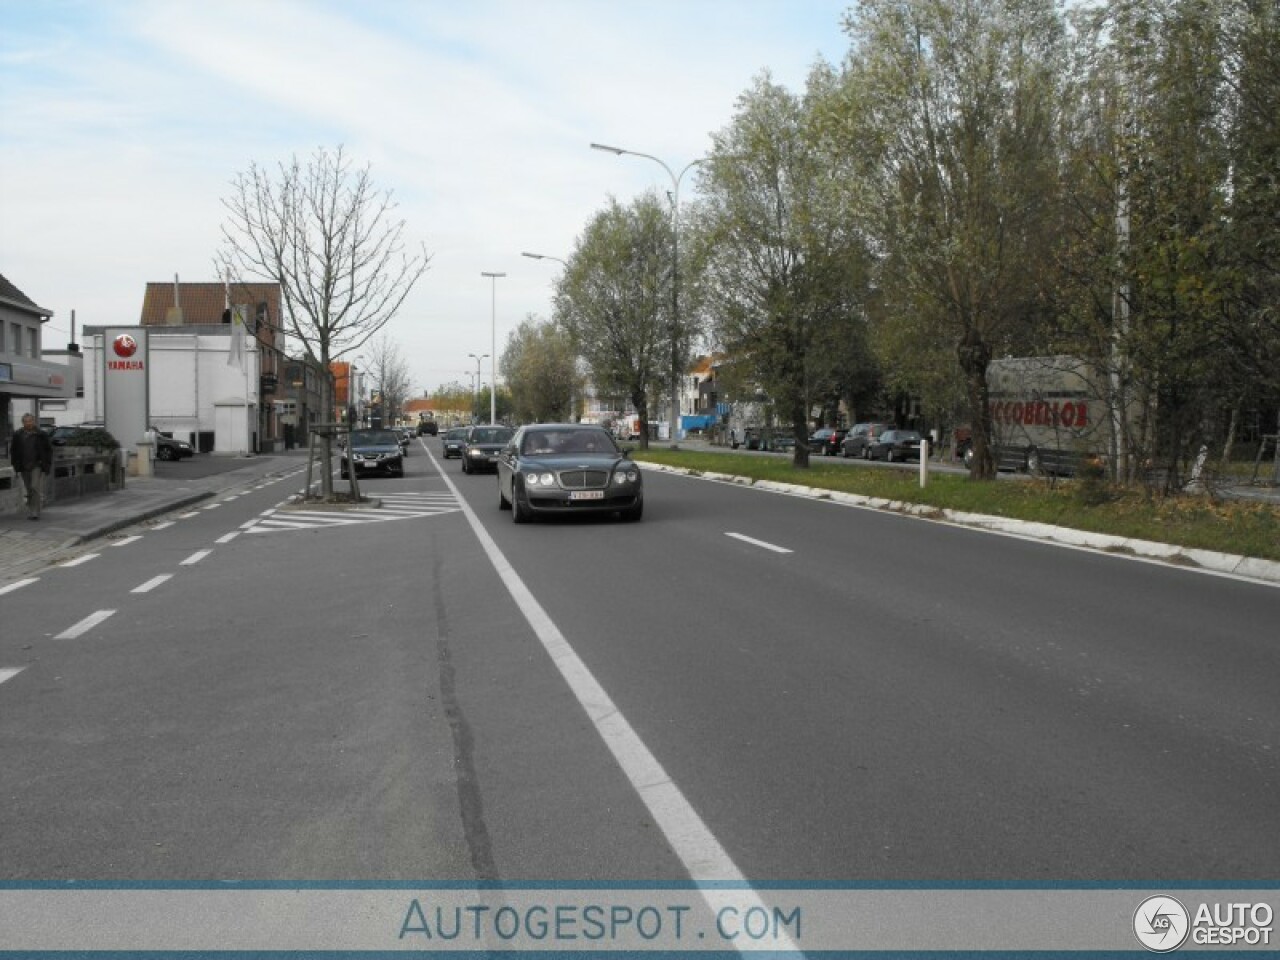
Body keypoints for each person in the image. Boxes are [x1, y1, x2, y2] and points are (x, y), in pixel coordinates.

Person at [9, 413, 53, 520]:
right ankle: (31, 506)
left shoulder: (41, 434)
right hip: (23, 465)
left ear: (34, 422)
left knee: (34, 487)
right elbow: (13, 450)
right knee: (29, 489)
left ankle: (35, 512)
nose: (29, 423)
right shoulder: (18, 434)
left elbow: (48, 450)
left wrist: (46, 464)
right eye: (26, 421)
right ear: (23, 423)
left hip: (36, 465)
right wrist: (15, 464)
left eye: (30, 421)